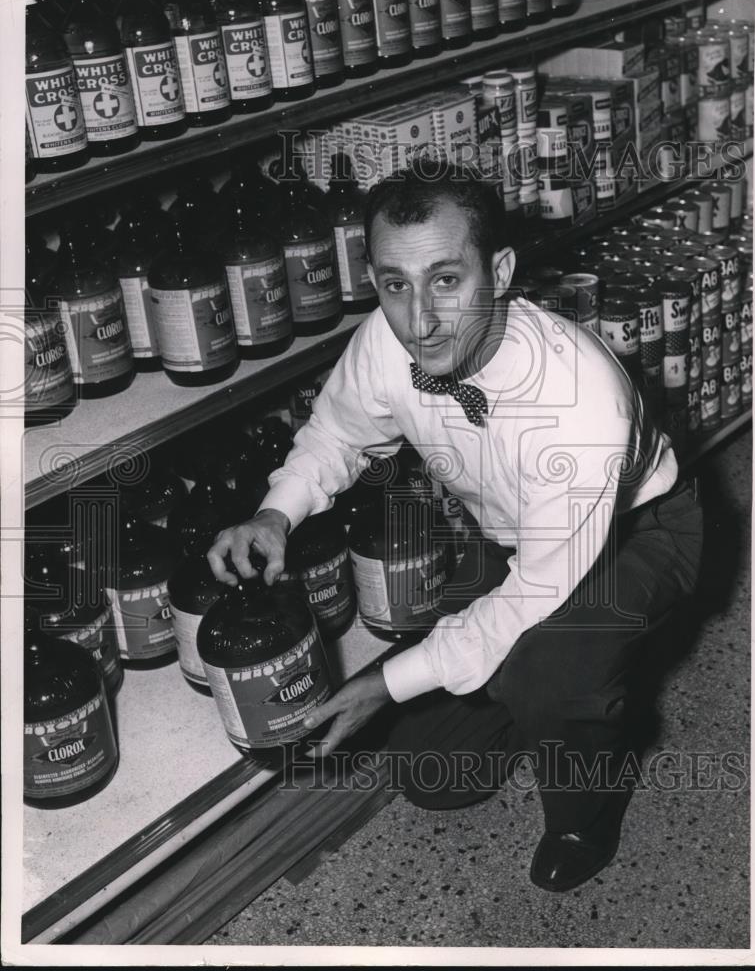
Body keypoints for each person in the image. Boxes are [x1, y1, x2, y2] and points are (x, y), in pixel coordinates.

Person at [207, 164, 703, 892]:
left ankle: (583, 812)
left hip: (644, 530)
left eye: (446, 280)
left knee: (552, 673)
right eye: (394, 283)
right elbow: (338, 433)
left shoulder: (577, 399)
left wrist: (387, 680)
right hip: (510, 535)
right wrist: (276, 511)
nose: (419, 320)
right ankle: (525, 689)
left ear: (498, 271)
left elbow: (538, 587)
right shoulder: (388, 337)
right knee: (434, 771)